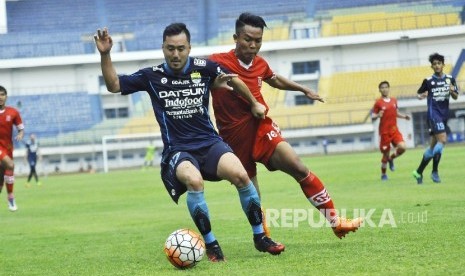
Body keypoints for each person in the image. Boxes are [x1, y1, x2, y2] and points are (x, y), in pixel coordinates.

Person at [94, 23, 285, 262]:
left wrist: (253, 103)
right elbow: (114, 85)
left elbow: (234, 79)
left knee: (242, 176)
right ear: (163, 48)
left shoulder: (205, 68)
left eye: (181, 49)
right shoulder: (151, 76)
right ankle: (212, 244)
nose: (176, 54)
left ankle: (260, 237)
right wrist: (105, 54)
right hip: (178, 150)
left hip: (210, 143)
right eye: (170, 48)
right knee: (194, 181)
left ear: (189, 48)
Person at [209, 13, 363, 239]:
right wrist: (252, 103)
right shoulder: (216, 61)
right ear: (235, 37)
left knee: (298, 166)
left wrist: (303, 89)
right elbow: (231, 80)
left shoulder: (260, 64)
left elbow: (274, 79)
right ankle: (262, 235)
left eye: (258, 40)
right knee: (250, 189)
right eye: (248, 39)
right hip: (233, 137)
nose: (253, 45)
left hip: (261, 128)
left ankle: (336, 222)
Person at [412, 53, 459, 184]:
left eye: (439, 63)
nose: (437, 65)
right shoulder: (428, 81)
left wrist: (452, 91)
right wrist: (421, 96)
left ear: (443, 65)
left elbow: (455, 96)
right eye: (434, 64)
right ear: (432, 66)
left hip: (443, 115)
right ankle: (434, 172)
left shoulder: (450, 79)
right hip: (433, 115)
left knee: (433, 148)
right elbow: (418, 94)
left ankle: (418, 172)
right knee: (443, 140)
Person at [371, 81, 410, 181]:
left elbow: (395, 113)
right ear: (380, 90)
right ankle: (383, 174)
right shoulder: (378, 103)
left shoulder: (394, 100)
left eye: (386, 87)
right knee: (385, 154)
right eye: (382, 88)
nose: (384, 89)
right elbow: (373, 117)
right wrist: (377, 116)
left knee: (403, 147)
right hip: (384, 132)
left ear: (389, 88)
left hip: (394, 130)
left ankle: (391, 159)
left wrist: (404, 116)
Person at [0, 85, 24, 211]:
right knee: (10, 165)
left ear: (6, 97)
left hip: (8, 148)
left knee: (0, 183)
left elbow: (21, 128)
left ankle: (8, 195)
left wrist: (20, 134)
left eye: (2, 94)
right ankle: (11, 197)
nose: (0, 97)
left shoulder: (13, 112)